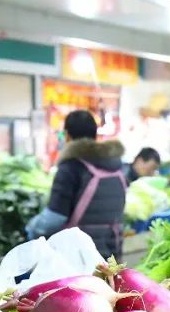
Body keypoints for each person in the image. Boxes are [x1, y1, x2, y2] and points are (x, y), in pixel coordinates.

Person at [26, 110, 127, 259]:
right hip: (110, 254)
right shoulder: (116, 167)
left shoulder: (71, 167)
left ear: (67, 135)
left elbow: (54, 218)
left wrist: (32, 227)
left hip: (78, 258)